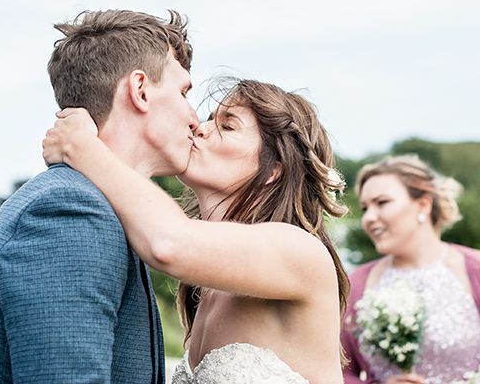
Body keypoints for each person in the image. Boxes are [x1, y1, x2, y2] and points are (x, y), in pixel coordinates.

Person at [42, 78, 349, 384]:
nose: (200, 128)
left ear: (273, 169)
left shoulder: (299, 250)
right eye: (210, 119)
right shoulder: (208, 289)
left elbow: (167, 243)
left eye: (227, 126)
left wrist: (81, 147)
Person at [0, 9, 199, 384]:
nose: (195, 118)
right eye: (183, 91)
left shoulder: (95, 204)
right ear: (140, 90)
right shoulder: (70, 210)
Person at [342, 155, 480, 384]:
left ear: (423, 205)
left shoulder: (479, 268)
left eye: (382, 203)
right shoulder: (356, 284)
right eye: (365, 208)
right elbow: (337, 372)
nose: (368, 218)